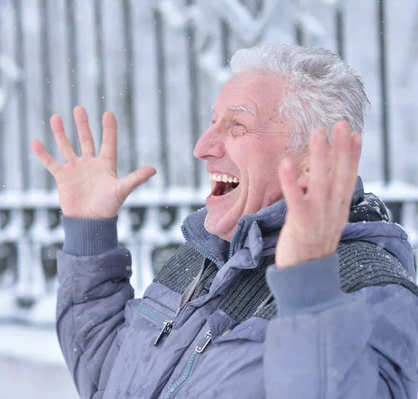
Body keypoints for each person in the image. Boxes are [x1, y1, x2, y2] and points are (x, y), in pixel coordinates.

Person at [31, 44, 418, 398]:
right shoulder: (203, 259)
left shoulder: (370, 290)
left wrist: (310, 293)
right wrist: (90, 234)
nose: (202, 147)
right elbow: (111, 379)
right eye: (214, 121)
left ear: (312, 162)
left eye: (237, 125)